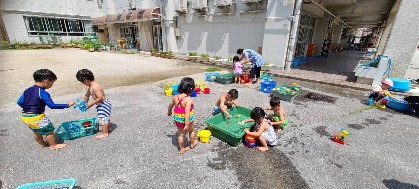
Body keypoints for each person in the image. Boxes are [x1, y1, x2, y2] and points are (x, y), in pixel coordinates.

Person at [17, 69, 74, 150]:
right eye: (52, 82)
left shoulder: (27, 90)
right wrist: (67, 105)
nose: (52, 85)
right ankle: (53, 145)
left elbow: (19, 102)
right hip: (36, 116)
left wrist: (29, 108)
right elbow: (52, 105)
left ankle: (42, 143)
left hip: (25, 116)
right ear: (46, 81)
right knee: (49, 129)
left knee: (36, 130)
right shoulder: (43, 93)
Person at [76, 69, 112, 139]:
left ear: (85, 80)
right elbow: (87, 95)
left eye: (82, 82)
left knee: (102, 118)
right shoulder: (90, 86)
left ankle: (105, 133)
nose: (83, 84)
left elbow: (100, 97)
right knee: (105, 117)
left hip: (103, 104)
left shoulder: (95, 86)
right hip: (101, 104)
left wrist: (90, 104)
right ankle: (108, 128)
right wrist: (84, 104)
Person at [167, 77, 198, 154]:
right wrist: (187, 124)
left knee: (181, 134)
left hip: (178, 119)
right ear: (190, 89)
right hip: (187, 120)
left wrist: (169, 112)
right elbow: (187, 112)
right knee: (191, 131)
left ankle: (182, 149)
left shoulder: (175, 97)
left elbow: (170, 105)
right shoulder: (188, 99)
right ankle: (192, 144)